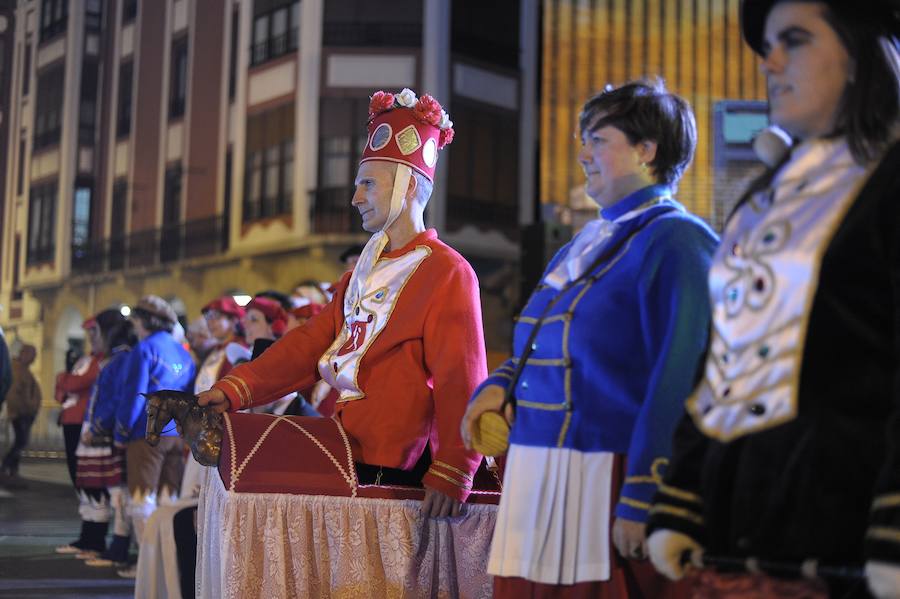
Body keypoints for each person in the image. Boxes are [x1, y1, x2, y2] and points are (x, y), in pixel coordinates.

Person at [645, 2, 900, 599]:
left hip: (849, 544)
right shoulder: (765, 195)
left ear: (861, 52)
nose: (770, 60)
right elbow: (722, 362)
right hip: (739, 530)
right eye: (767, 44)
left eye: (795, 40)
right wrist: (682, 498)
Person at [460, 80, 718, 598]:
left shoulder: (678, 241)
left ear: (648, 150)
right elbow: (539, 343)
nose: (582, 155)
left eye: (597, 139)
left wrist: (644, 495)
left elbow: (680, 378)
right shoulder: (585, 242)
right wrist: (497, 388)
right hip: (537, 472)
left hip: (605, 478)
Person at [199, 87, 488, 517]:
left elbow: (462, 377)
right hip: (344, 446)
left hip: (398, 466)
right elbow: (310, 343)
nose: (355, 198)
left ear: (408, 186)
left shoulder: (447, 270)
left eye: (367, 184)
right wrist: (235, 389)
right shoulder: (361, 272)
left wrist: (455, 467)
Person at [114, 295, 195, 578]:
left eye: (135, 320)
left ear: (144, 320)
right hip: (176, 434)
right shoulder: (184, 353)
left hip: (146, 435)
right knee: (168, 500)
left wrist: (121, 431)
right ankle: (168, 564)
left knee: (141, 500)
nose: (134, 326)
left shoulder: (144, 349)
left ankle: (147, 567)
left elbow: (133, 396)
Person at [55, 318, 103, 487]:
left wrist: (64, 379)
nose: (91, 337)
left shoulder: (100, 361)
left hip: (83, 419)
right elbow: (61, 390)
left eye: (94, 332)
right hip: (71, 418)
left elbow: (78, 382)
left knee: (81, 467)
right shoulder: (86, 360)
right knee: (73, 464)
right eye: (89, 333)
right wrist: (65, 380)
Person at [1, 344, 42, 478]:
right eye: (32, 355)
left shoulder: (23, 370)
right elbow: (13, 394)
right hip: (21, 413)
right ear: (24, 353)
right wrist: (25, 408)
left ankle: (13, 469)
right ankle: (7, 465)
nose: (34, 359)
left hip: (25, 413)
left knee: (21, 441)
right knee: (21, 441)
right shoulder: (17, 369)